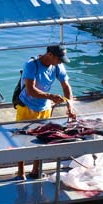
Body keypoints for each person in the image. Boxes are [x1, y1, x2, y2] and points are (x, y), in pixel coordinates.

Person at [16, 45, 75, 180]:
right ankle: (21, 172)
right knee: (21, 140)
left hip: (45, 108)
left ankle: (36, 171)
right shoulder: (31, 65)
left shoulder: (57, 66)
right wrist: (51, 96)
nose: (60, 62)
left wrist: (70, 105)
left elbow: (66, 86)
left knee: (42, 139)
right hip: (27, 106)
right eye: (59, 59)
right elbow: (31, 90)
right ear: (49, 54)